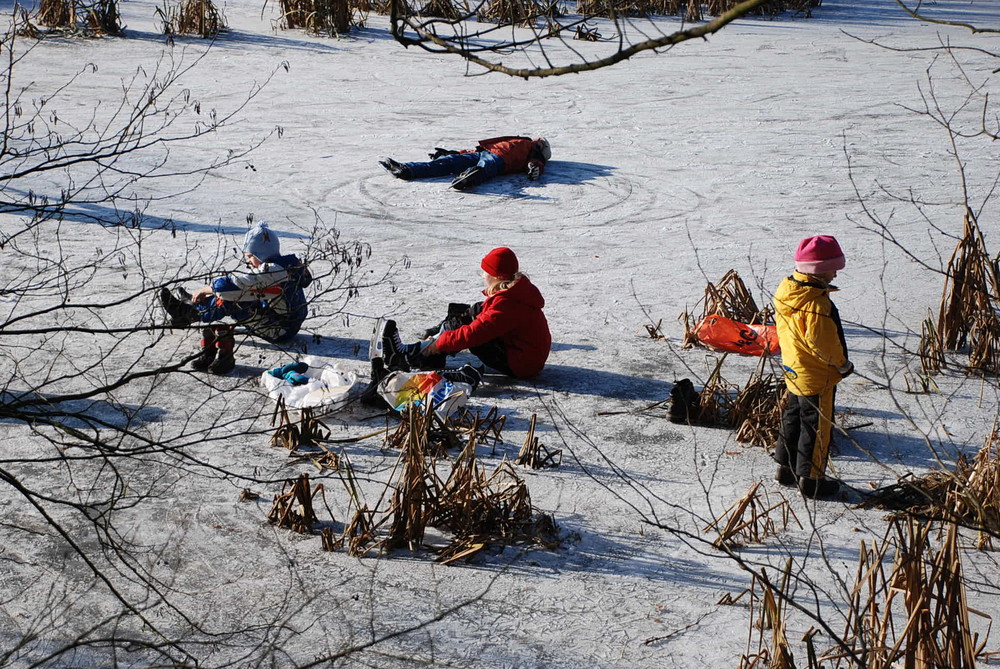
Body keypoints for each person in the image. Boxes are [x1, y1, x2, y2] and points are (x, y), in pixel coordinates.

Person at [158, 221, 313, 375]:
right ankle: (192, 307)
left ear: (261, 254)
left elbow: (230, 287)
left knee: (231, 299)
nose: (248, 261)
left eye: (250, 256)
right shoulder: (286, 266)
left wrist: (205, 290)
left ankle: (189, 314)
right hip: (285, 321)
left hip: (279, 331)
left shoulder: (271, 272)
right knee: (240, 292)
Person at [377, 247, 551, 379]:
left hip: (521, 364)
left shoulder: (508, 303)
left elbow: (474, 334)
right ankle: (424, 352)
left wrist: (440, 343)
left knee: (470, 330)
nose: (483, 275)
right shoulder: (513, 293)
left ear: (497, 277)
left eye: (486, 272)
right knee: (471, 311)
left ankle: (410, 355)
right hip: (522, 355)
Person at [772, 235, 853, 499]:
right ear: (818, 270)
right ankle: (812, 479)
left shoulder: (789, 291)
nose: (835, 276)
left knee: (793, 416)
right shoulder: (816, 303)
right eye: (832, 269)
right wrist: (842, 365)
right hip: (816, 374)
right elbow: (823, 342)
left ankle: (785, 468)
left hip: (794, 367)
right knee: (817, 426)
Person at [379, 137, 551, 191]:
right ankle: (407, 170)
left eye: (541, 142)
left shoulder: (533, 151)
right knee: (449, 162)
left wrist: (535, 167)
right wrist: (452, 153)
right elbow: (475, 150)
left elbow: (535, 163)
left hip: (500, 159)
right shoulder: (521, 139)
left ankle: (469, 178)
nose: (538, 139)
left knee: (486, 167)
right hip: (483, 152)